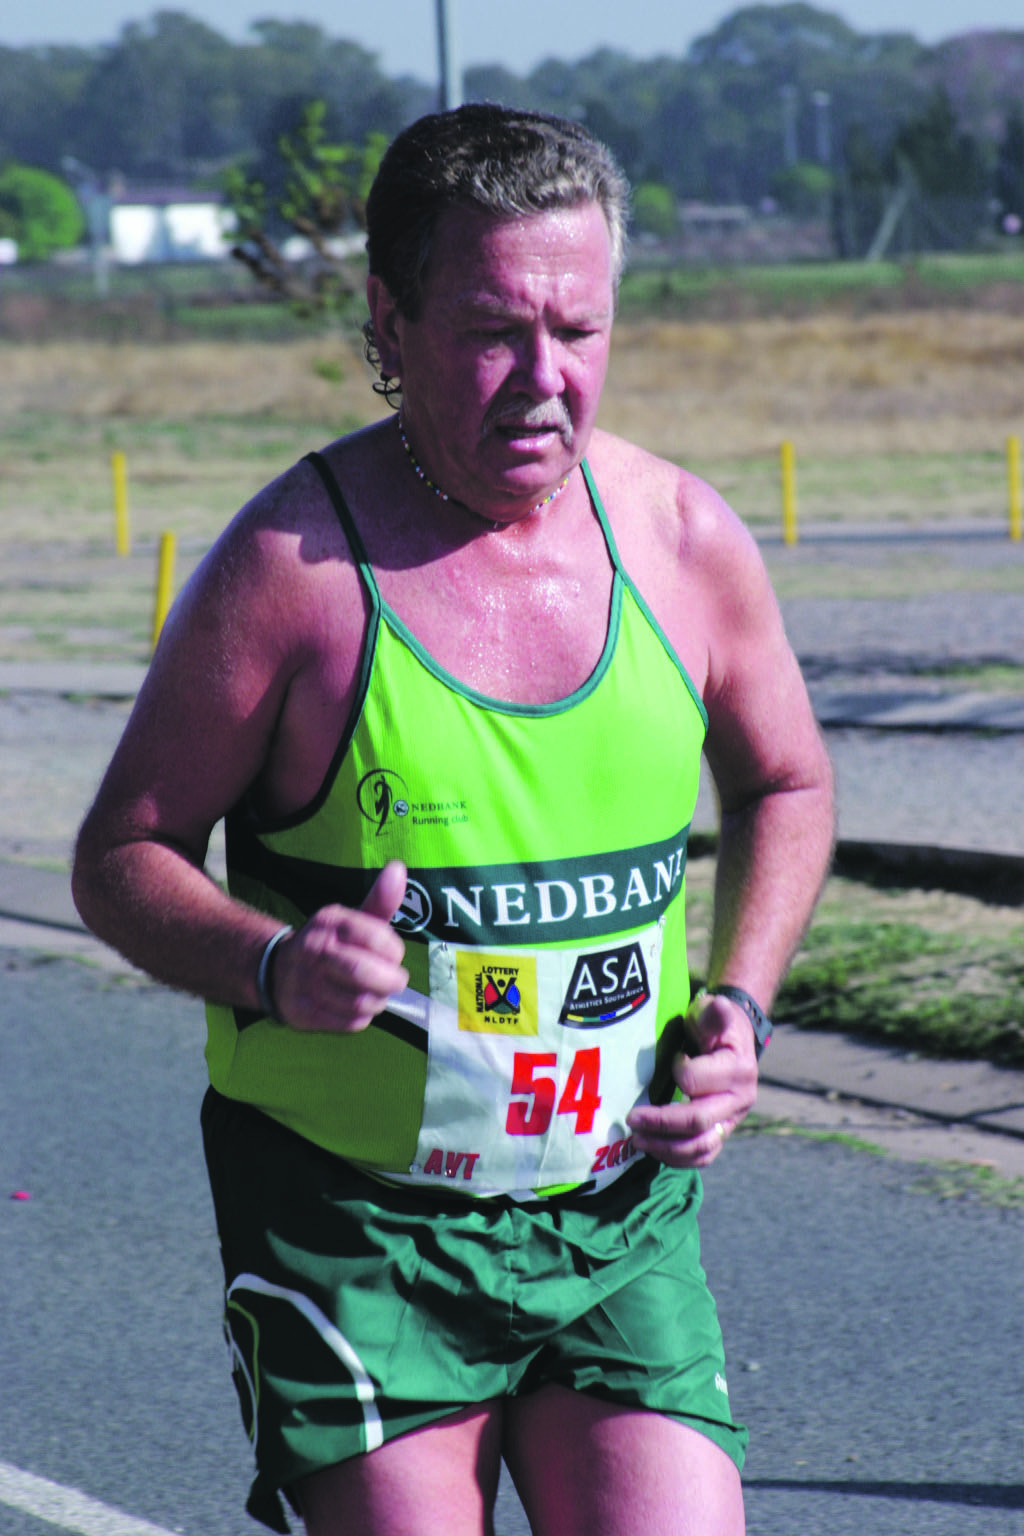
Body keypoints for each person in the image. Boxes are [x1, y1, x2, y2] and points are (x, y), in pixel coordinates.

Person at [72, 104, 834, 1536]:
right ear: (390, 320)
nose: (545, 379)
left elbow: (787, 781)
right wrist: (270, 964)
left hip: (614, 1216)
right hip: (357, 1228)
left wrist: (741, 1007)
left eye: (580, 329)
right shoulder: (294, 571)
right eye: (493, 331)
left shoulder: (682, 540)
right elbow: (121, 857)